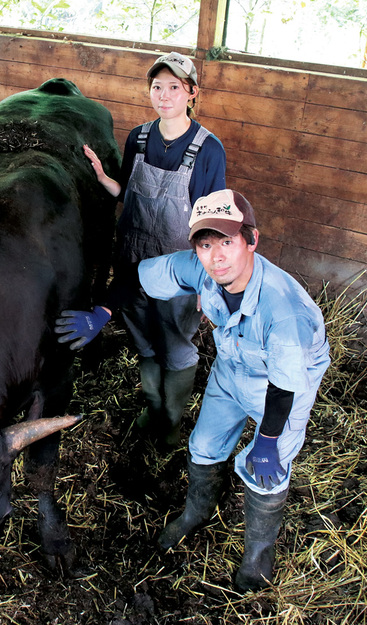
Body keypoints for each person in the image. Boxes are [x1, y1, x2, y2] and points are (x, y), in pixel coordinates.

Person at [139, 189, 330, 590]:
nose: (216, 256)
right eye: (206, 245)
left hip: (282, 386)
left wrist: (267, 441)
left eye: (227, 242)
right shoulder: (202, 268)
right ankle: (196, 512)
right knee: (204, 443)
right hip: (232, 367)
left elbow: (284, 386)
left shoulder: (283, 310)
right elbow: (142, 276)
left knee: (266, 471)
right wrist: (103, 310)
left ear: (251, 240)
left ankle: (258, 560)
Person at [57, 51, 227, 451]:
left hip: (177, 269)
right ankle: (152, 407)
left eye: (173, 87)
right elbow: (128, 194)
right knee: (144, 342)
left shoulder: (207, 148)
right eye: (156, 87)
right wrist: (102, 177)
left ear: (191, 93)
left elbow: (210, 221)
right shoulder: (139, 137)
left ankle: (171, 420)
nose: (163, 95)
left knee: (175, 344)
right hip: (132, 260)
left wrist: (208, 280)